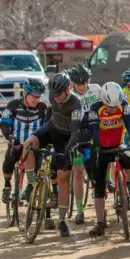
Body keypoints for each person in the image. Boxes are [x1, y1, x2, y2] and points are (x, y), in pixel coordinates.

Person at [22, 72, 83, 237]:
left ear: (68, 89)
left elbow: (77, 131)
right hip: (52, 128)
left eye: (59, 94)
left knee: (64, 178)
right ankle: (31, 184)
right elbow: (49, 112)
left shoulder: (76, 103)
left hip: (67, 137)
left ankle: (62, 220)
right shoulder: (52, 96)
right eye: (53, 94)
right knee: (28, 144)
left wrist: (69, 149)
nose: (55, 97)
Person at [81, 82, 130, 237]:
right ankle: (100, 223)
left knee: (129, 161)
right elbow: (94, 129)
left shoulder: (124, 105)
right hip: (100, 146)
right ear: (103, 100)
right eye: (110, 107)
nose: (113, 109)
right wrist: (98, 147)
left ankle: (127, 184)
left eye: (116, 106)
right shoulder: (95, 108)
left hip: (118, 144)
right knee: (98, 185)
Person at [0, 79, 48, 205]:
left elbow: (48, 126)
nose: (36, 100)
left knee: (39, 161)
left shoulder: (43, 108)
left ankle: (30, 186)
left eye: (39, 97)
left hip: (34, 145)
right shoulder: (13, 105)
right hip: (18, 143)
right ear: (25, 93)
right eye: (34, 97)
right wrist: (10, 137)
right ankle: (7, 186)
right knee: (10, 156)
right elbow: (4, 124)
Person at [66, 64, 99, 225]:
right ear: (72, 83)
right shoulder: (69, 95)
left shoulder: (96, 90)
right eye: (79, 84)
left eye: (85, 83)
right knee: (78, 172)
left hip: (94, 132)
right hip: (77, 134)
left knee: (99, 164)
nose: (82, 87)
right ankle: (79, 211)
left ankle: (105, 180)